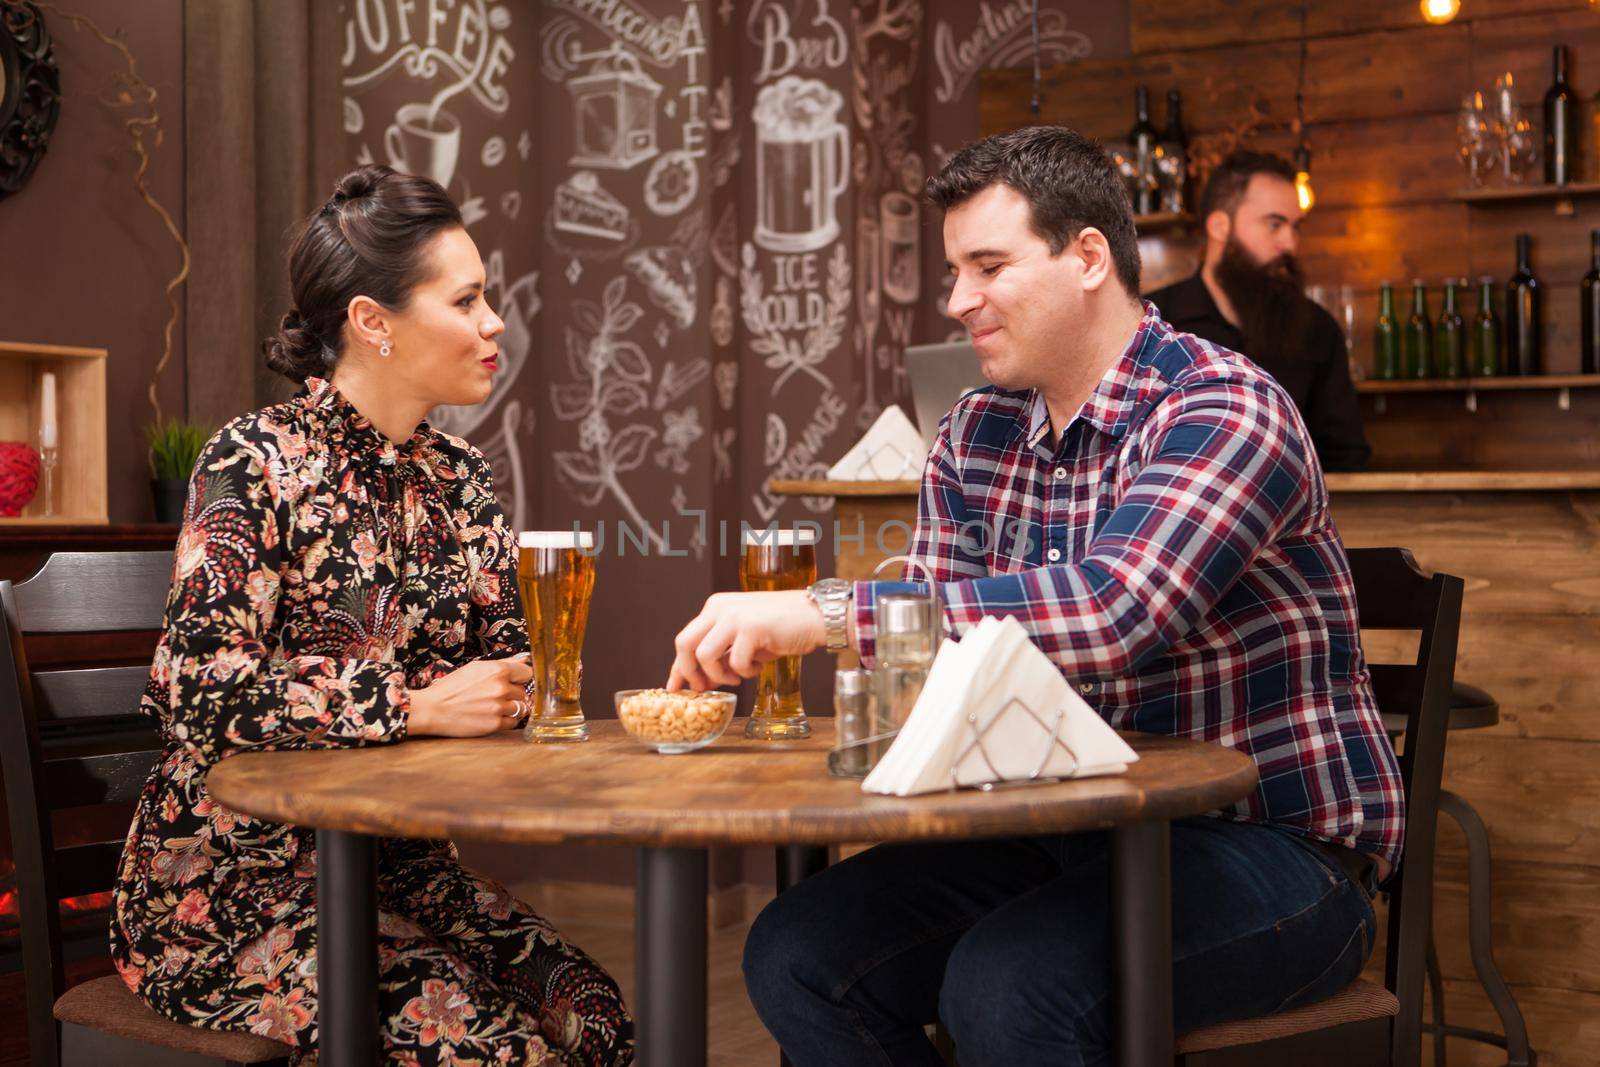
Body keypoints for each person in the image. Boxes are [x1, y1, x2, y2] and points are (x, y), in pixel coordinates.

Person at [667, 126, 1403, 1066]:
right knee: (796, 952)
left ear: (1087, 256)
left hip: (1272, 852)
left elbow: (1111, 613)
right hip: (1060, 829)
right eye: (953, 269)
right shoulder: (976, 429)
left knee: (1009, 982)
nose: (957, 299)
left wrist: (819, 613)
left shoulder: (1224, 406)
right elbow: (931, 641)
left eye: (986, 265)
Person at [111, 165, 634, 1066]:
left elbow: (507, 673)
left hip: (408, 871)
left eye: (488, 296)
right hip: (233, 892)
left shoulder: (459, 477)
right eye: (466, 298)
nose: (493, 321)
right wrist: (414, 706)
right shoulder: (254, 461)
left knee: (597, 1017)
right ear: (372, 321)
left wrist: (525, 693)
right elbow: (191, 688)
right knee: (499, 1053)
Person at [1147, 150, 1371, 471]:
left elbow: (1345, 457)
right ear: (1220, 226)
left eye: (1296, 227)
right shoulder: (1154, 323)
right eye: (1275, 224)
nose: (1290, 244)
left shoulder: (1317, 330)